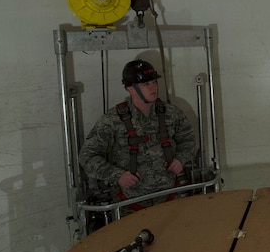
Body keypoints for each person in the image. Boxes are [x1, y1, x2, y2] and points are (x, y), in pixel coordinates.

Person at [79, 59, 198, 212]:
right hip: (131, 205)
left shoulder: (171, 113)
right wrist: (117, 176)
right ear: (130, 89)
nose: (153, 87)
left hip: (170, 199)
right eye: (146, 84)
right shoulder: (113, 120)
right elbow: (87, 156)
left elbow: (188, 139)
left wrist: (181, 159)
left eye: (154, 82)